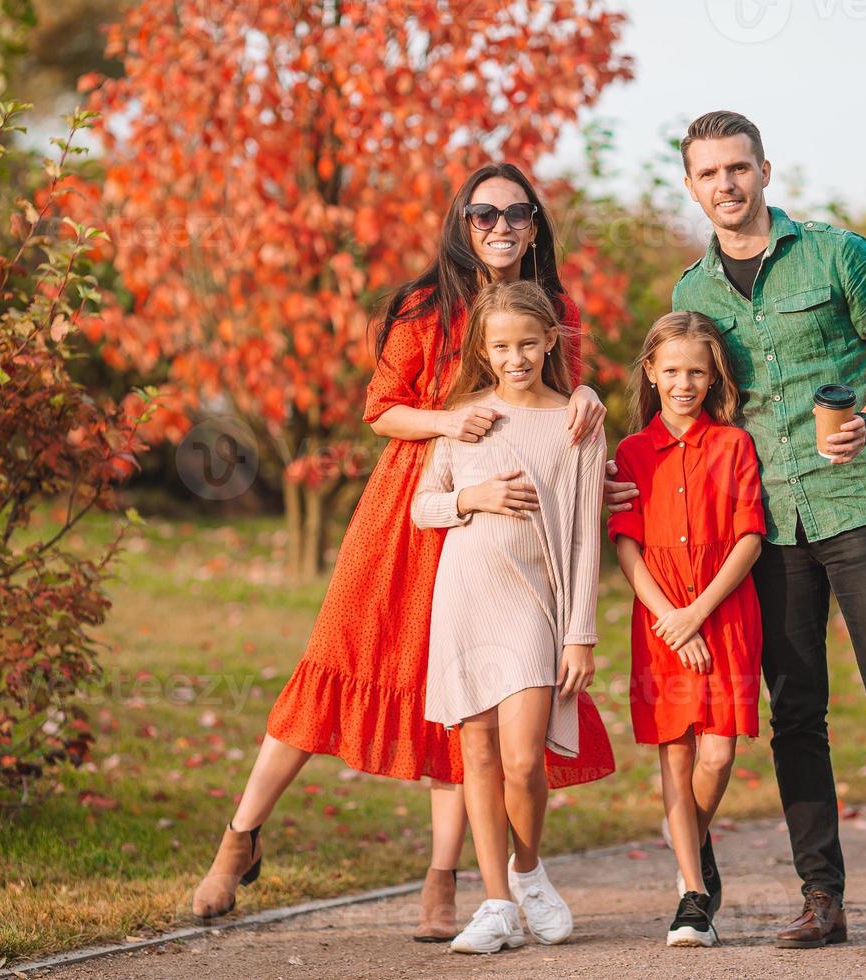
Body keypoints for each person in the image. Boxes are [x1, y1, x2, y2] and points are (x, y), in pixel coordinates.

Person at [190, 164, 617, 941]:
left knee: (468, 700)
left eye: (515, 213)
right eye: (483, 214)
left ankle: (445, 883)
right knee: (336, 662)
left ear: (534, 224)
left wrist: (590, 398)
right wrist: (447, 424)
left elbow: (556, 415)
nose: (499, 226)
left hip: (505, 540)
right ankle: (241, 835)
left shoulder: (555, 310)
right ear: (462, 221)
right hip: (411, 509)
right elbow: (381, 411)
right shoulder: (428, 306)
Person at [647, 110, 866, 958]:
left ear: (764, 170)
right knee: (797, 714)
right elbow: (696, 409)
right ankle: (820, 898)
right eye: (708, 173)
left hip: (862, 502)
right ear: (691, 186)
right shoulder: (693, 294)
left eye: (738, 168)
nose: (725, 184)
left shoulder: (839, 254)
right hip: (767, 529)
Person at [411, 278, 610, 954]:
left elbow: (586, 534)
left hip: (534, 605)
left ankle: (528, 872)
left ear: (551, 340)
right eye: (501, 346)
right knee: (477, 752)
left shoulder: (577, 422)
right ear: (484, 350)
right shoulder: (467, 418)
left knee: (524, 760)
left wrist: (580, 633)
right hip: (465, 597)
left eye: (528, 343)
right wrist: (475, 496)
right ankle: (494, 903)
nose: (516, 357)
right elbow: (423, 507)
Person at [608, 311, 765, 948]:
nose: (683, 382)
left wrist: (697, 613)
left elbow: (751, 535)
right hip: (659, 620)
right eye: (671, 370)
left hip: (723, 615)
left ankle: (691, 840)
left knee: (719, 752)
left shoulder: (734, 445)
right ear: (650, 371)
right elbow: (626, 546)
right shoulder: (630, 452)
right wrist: (672, 621)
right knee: (676, 754)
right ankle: (692, 895)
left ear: (712, 376)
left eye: (696, 371)